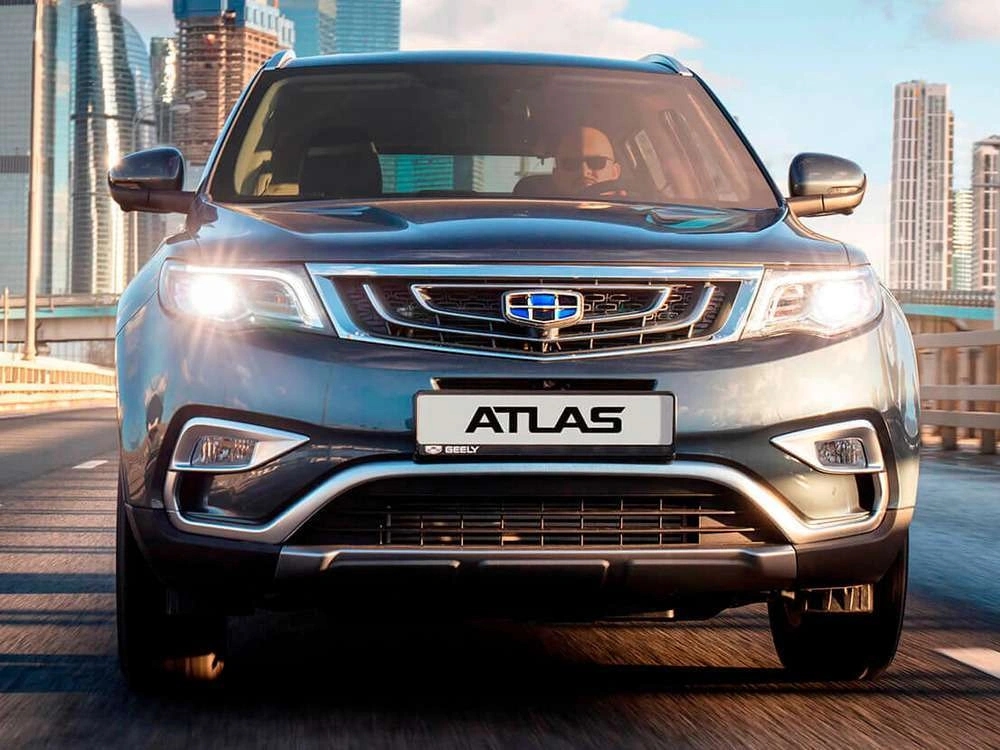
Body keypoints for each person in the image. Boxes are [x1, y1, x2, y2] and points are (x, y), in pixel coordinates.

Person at [551, 125, 625, 197]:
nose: (584, 171)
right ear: (557, 176)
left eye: (596, 162)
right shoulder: (545, 204)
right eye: (571, 163)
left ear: (615, 172)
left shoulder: (629, 203)